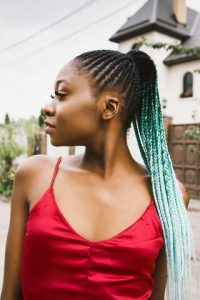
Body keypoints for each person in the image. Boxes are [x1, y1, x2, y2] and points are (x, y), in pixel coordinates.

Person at [0, 49, 196, 300]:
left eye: (61, 95)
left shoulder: (168, 196)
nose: (47, 107)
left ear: (109, 107)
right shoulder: (34, 175)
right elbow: (9, 294)